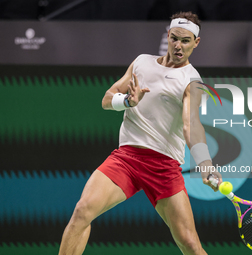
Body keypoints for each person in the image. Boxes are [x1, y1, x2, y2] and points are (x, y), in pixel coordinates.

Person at [58, 11, 222, 255]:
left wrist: (206, 163)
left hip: (163, 167)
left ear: (196, 43)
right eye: (174, 38)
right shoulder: (142, 62)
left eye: (185, 41)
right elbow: (106, 99)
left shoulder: (192, 80)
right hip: (126, 159)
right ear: (168, 35)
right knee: (82, 211)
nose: (178, 46)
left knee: (190, 244)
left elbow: (192, 125)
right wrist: (127, 101)